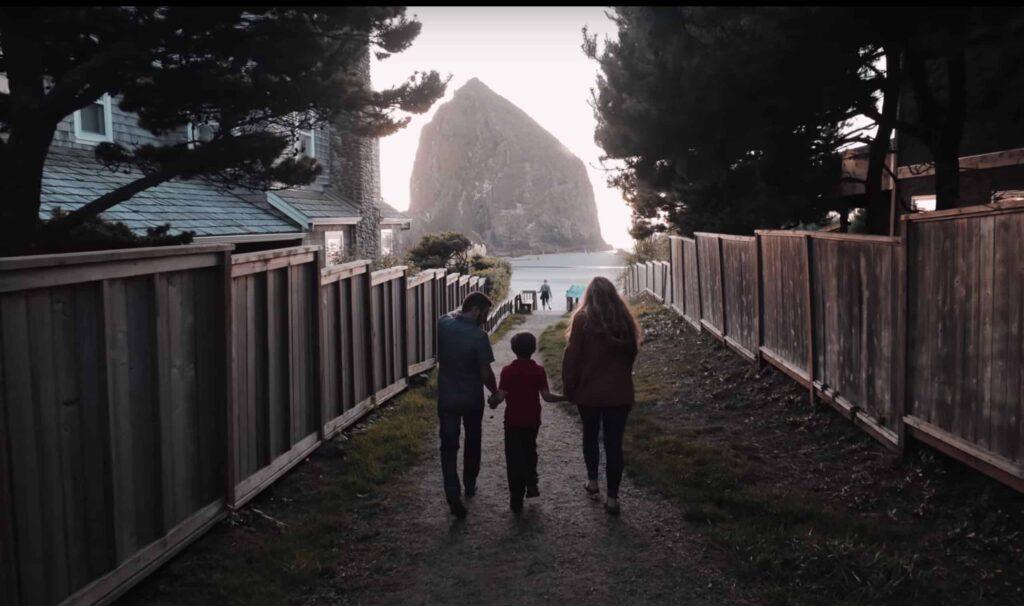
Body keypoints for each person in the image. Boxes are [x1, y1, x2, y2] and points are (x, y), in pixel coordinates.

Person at [561, 276, 642, 515]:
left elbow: (572, 358)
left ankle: (593, 481)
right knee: (614, 444)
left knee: (590, 436)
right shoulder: (625, 321)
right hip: (620, 394)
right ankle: (613, 498)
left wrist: (569, 388)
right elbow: (631, 354)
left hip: (590, 393)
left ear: (590, 295)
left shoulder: (582, 319)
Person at [436, 292, 504, 518]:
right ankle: (470, 483)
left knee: (448, 445)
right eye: (484, 313)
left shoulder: (443, 324)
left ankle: (452, 491)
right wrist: (495, 393)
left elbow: (451, 315)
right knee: (473, 441)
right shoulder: (479, 337)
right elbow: (485, 373)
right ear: (476, 310)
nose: (486, 318)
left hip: (447, 397)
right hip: (472, 399)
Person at [491, 332, 566, 513]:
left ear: (514, 349)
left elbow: (500, 397)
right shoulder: (538, 370)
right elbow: (547, 397)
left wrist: (493, 401)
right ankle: (531, 482)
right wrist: (565, 397)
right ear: (534, 349)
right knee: (530, 450)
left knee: (513, 457)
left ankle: (516, 497)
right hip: (532, 420)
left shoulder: (508, 371)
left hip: (513, 421)